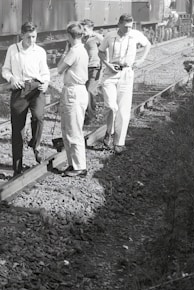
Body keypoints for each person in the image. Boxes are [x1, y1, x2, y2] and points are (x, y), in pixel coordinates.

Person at [1, 21, 51, 176]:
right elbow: (5, 69)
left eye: (34, 37)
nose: (32, 40)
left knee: (38, 117)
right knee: (18, 128)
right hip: (19, 89)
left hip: (36, 88)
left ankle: (35, 145)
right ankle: (17, 166)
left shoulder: (40, 51)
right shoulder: (13, 49)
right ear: (22, 35)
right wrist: (11, 79)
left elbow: (45, 72)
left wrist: (46, 83)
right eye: (29, 37)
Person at [98, 14, 152, 154]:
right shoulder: (109, 36)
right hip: (111, 74)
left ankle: (119, 143)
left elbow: (148, 45)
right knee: (111, 106)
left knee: (123, 110)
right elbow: (101, 52)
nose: (129, 29)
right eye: (126, 26)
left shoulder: (135, 35)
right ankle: (109, 132)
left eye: (131, 26)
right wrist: (107, 64)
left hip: (127, 73)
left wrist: (141, 60)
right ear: (119, 24)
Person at [56, 22, 89, 177]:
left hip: (73, 91)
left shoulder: (74, 51)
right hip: (78, 90)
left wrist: (64, 53)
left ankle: (79, 166)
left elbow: (59, 69)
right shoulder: (82, 50)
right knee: (70, 129)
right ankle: (73, 163)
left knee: (73, 131)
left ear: (69, 36)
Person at [81, 18, 104, 123]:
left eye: (85, 29)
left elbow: (105, 51)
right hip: (83, 68)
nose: (83, 31)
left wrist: (104, 65)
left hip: (95, 67)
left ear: (91, 28)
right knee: (84, 91)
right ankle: (86, 113)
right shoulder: (82, 39)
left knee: (89, 91)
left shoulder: (98, 38)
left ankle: (90, 116)